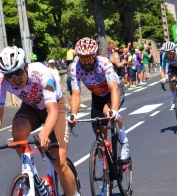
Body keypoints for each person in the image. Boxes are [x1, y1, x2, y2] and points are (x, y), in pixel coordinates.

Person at [0, 46, 79, 196]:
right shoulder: (0, 81)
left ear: (26, 66)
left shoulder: (41, 73)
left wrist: (44, 134)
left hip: (53, 106)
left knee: (59, 162)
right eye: (9, 75)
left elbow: (52, 111)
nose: (15, 79)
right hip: (31, 107)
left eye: (18, 72)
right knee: (17, 131)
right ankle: (35, 178)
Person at [68, 38, 130, 195]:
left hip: (112, 91)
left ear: (94, 56)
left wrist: (114, 111)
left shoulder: (103, 62)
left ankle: (123, 139)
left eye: (89, 57)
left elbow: (114, 89)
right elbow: (75, 94)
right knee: (99, 136)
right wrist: (73, 114)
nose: (86, 62)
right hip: (97, 96)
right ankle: (105, 178)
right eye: (83, 58)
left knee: (108, 113)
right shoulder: (75, 68)